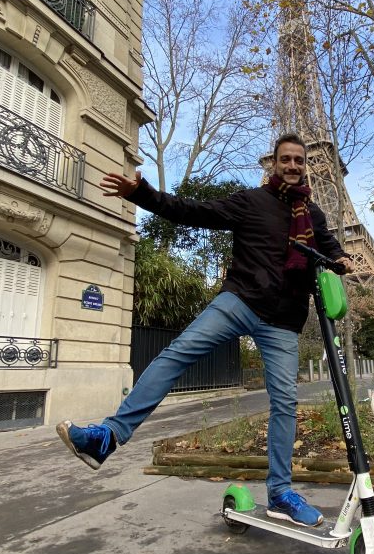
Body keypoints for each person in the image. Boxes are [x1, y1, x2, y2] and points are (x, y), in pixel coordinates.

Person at [56, 132, 354, 528]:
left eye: (299, 160)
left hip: (284, 320)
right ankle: (108, 436)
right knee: (175, 355)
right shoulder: (250, 201)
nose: (294, 165)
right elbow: (192, 210)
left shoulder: (312, 215)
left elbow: (331, 245)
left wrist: (341, 258)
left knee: (285, 403)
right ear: (274, 164)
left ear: (306, 165)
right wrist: (142, 194)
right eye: (286, 159)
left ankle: (280, 492)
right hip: (239, 302)